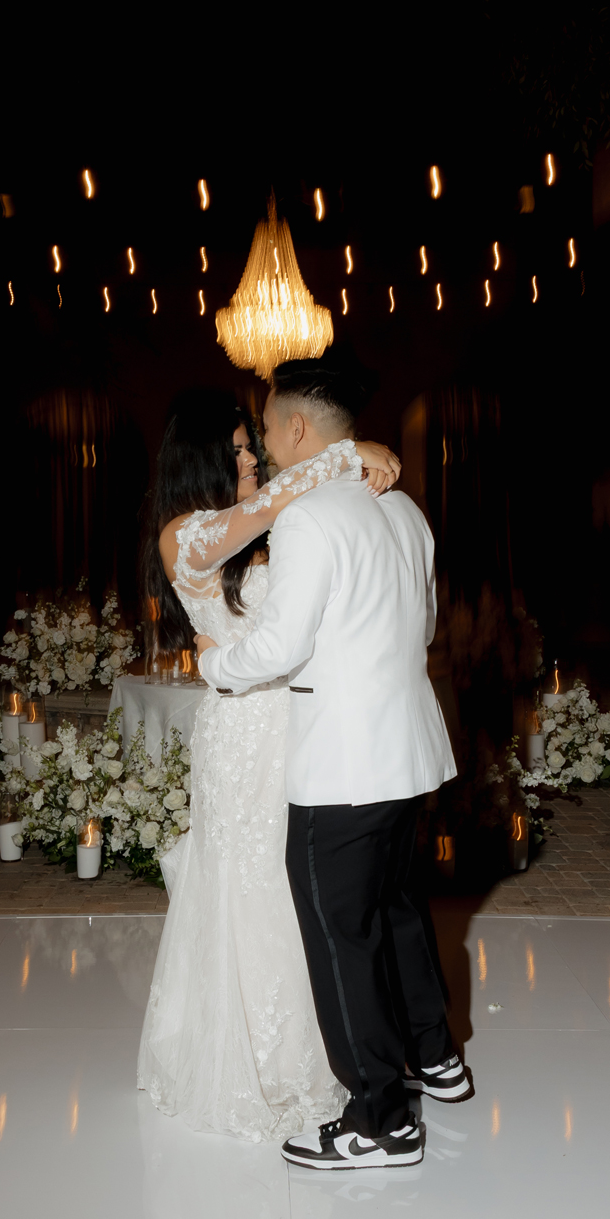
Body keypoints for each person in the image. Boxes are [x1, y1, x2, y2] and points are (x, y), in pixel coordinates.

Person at [196, 360, 465, 1171]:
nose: (270, 444)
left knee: (340, 933)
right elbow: (419, 631)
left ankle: (381, 1119)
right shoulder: (407, 513)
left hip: (344, 764)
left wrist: (212, 662)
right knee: (395, 909)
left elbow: (279, 648)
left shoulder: (309, 519)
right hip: (409, 748)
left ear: (300, 431)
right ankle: (436, 1058)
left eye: (272, 428)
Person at [136, 387, 401, 1141]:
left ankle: (329, 1046)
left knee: (302, 892)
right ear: (201, 462)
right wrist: (348, 452)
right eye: (239, 448)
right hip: (242, 735)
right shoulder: (185, 534)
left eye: (253, 445)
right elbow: (274, 502)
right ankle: (264, 1061)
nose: (252, 457)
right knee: (252, 884)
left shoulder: (255, 534)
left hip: (295, 724)